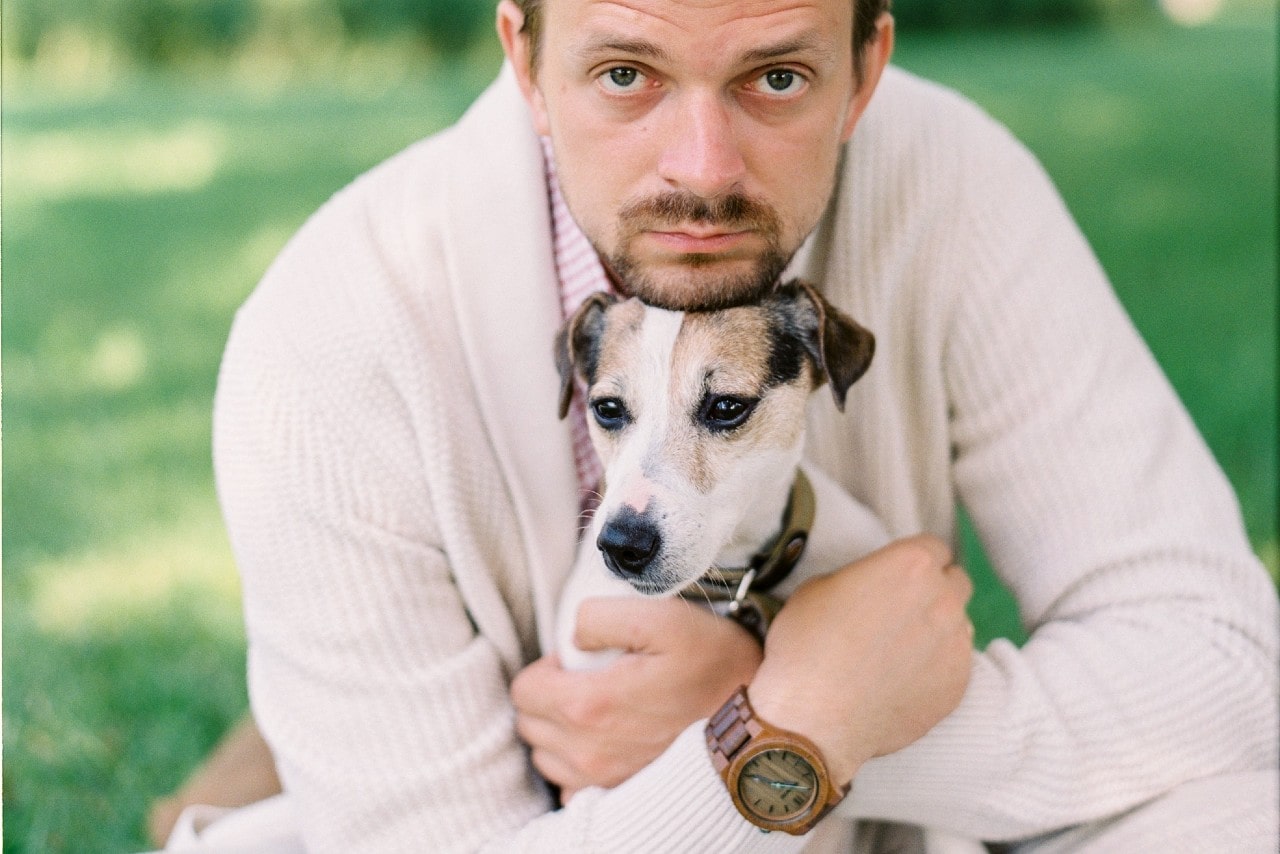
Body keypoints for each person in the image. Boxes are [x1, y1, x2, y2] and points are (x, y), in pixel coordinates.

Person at [178, 0, 1279, 850]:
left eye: (776, 76)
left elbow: (1223, 664)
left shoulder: (953, 179)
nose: (700, 169)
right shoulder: (330, 337)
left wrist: (799, 722)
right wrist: (777, 732)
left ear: (864, 72)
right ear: (525, 61)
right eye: (624, 74)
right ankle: (260, 774)